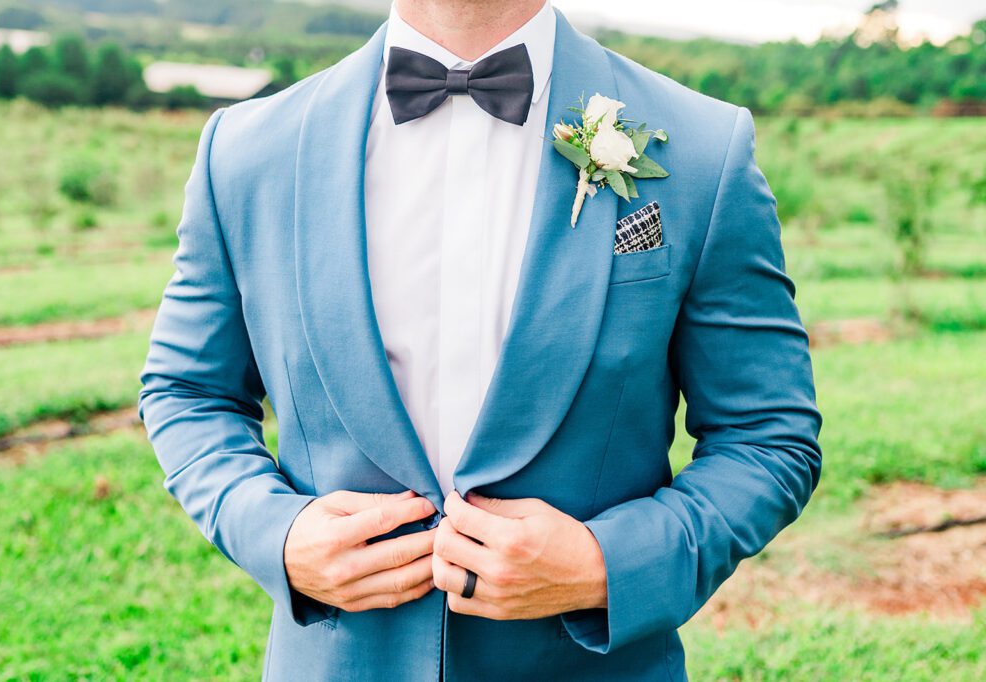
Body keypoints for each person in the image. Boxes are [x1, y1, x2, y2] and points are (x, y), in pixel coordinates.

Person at [137, 0, 823, 679]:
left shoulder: (703, 149)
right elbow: (186, 391)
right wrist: (274, 534)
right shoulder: (246, 152)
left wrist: (607, 566)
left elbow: (768, 434)